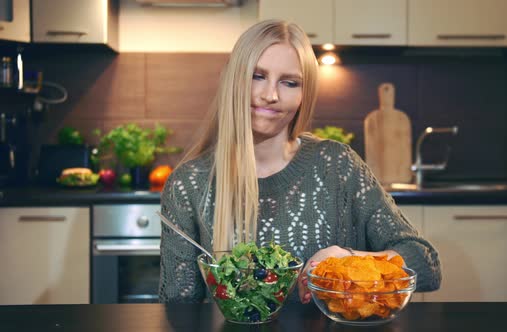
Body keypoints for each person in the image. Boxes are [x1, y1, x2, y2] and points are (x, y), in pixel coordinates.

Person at [159, 19, 441, 304]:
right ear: (233, 80)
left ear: (304, 95)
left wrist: (346, 259)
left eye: (289, 83)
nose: (270, 95)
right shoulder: (188, 184)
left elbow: (426, 265)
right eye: (257, 76)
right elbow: (178, 308)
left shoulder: (337, 165)